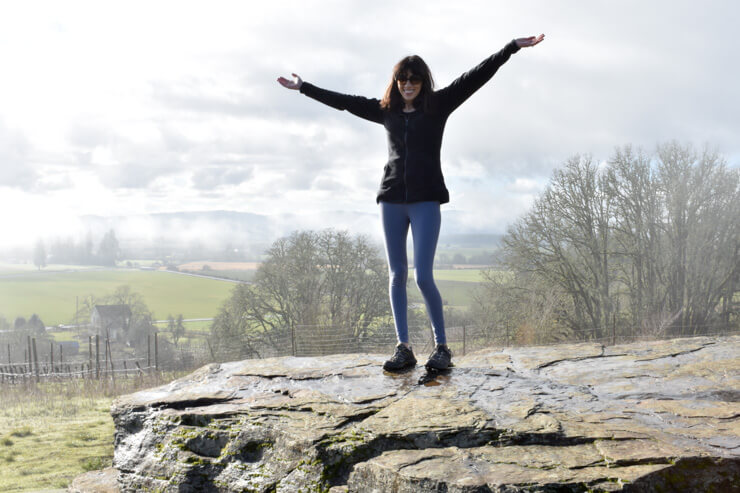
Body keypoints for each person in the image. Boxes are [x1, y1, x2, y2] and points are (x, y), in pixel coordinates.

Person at [278, 34, 545, 371]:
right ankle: (403, 348)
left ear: (423, 82)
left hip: (425, 202)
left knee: (423, 277)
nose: (407, 84)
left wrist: (511, 48)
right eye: (402, 79)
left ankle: (442, 348)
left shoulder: (438, 106)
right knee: (396, 275)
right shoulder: (385, 110)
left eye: (414, 79)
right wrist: (304, 87)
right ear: (396, 81)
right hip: (390, 200)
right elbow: (344, 101)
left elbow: (476, 76)